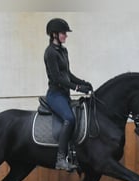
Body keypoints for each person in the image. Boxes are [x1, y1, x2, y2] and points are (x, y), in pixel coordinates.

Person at [44, 18, 93, 171]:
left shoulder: (63, 51)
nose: (66, 35)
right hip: (55, 95)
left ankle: (74, 154)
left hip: (65, 95)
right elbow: (57, 78)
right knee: (69, 119)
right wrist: (78, 88)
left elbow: (68, 75)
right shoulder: (50, 53)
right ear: (54, 34)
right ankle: (60, 159)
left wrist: (84, 83)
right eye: (63, 33)